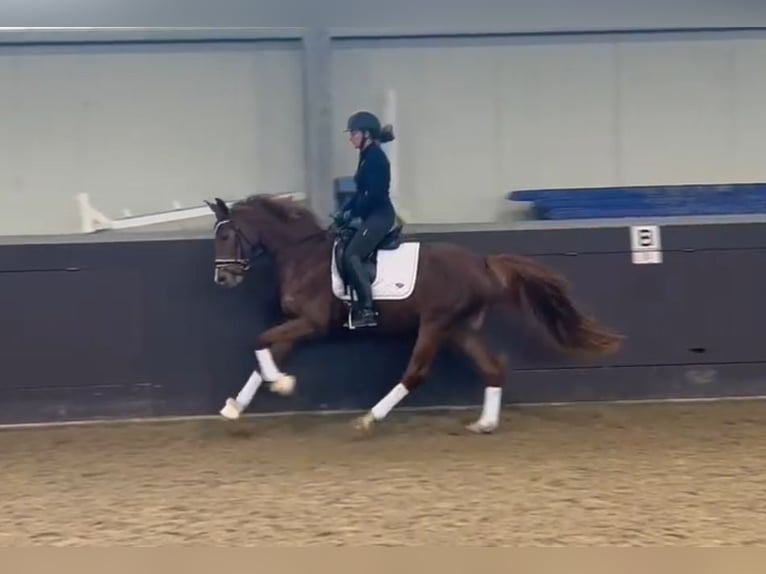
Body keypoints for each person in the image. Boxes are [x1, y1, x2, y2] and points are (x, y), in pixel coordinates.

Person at [334, 110, 398, 329]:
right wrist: (344, 211)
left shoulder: (376, 159)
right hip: (370, 213)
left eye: (353, 133)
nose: (350, 137)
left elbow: (374, 195)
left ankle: (367, 309)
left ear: (366, 134)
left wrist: (354, 212)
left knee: (353, 253)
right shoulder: (366, 156)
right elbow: (360, 193)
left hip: (380, 216)